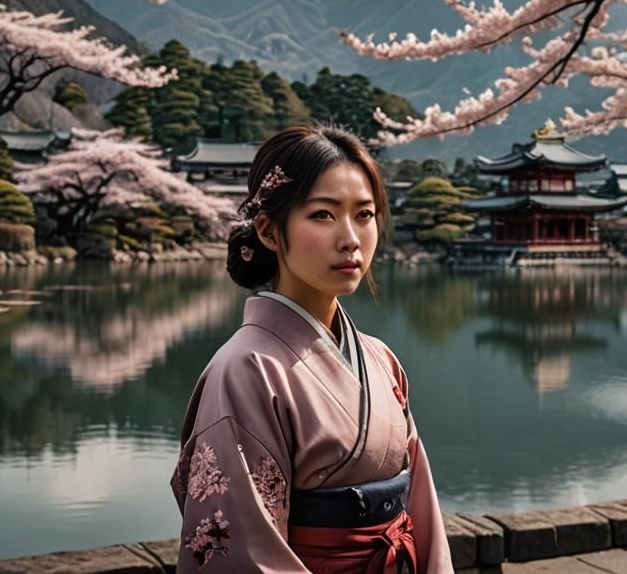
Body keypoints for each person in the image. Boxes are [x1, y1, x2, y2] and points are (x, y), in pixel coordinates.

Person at [172, 125, 453, 573]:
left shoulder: (381, 359)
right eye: (324, 215)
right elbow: (245, 552)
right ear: (268, 230)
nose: (351, 239)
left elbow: (422, 509)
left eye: (364, 214)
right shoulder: (246, 370)